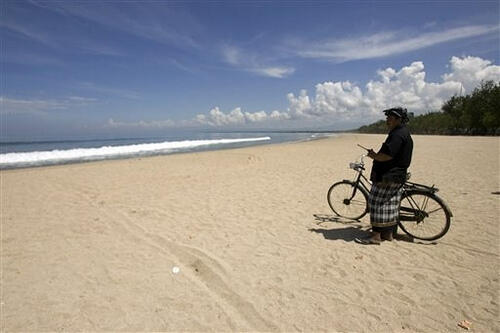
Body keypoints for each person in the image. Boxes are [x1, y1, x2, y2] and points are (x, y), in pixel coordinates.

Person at [357, 107, 413, 245]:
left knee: (375, 202)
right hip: (397, 175)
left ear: (399, 119)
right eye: (387, 117)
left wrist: (374, 155)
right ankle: (387, 234)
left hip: (389, 176)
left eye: (390, 117)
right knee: (390, 204)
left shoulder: (397, 135)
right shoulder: (402, 133)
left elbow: (386, 155)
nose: (387, 119)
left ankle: (376, 236)